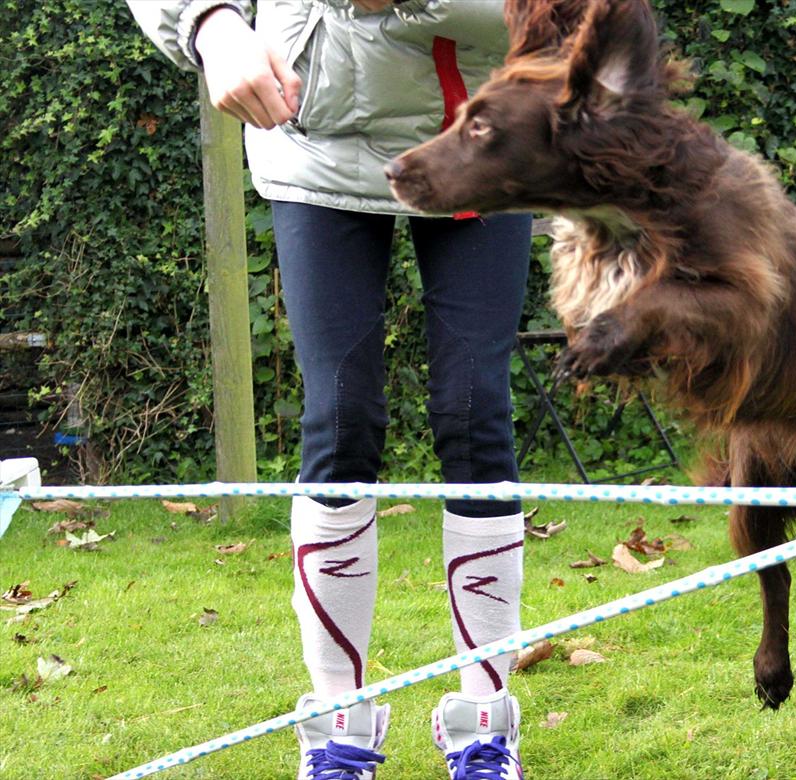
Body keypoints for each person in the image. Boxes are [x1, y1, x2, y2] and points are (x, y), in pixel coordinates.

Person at [125, 2, 531, 778]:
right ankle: (339, 730)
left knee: (475, 409)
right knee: (341, 415)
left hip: (475, 131)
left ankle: (483, 726)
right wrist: (210, 23)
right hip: (311, 132)